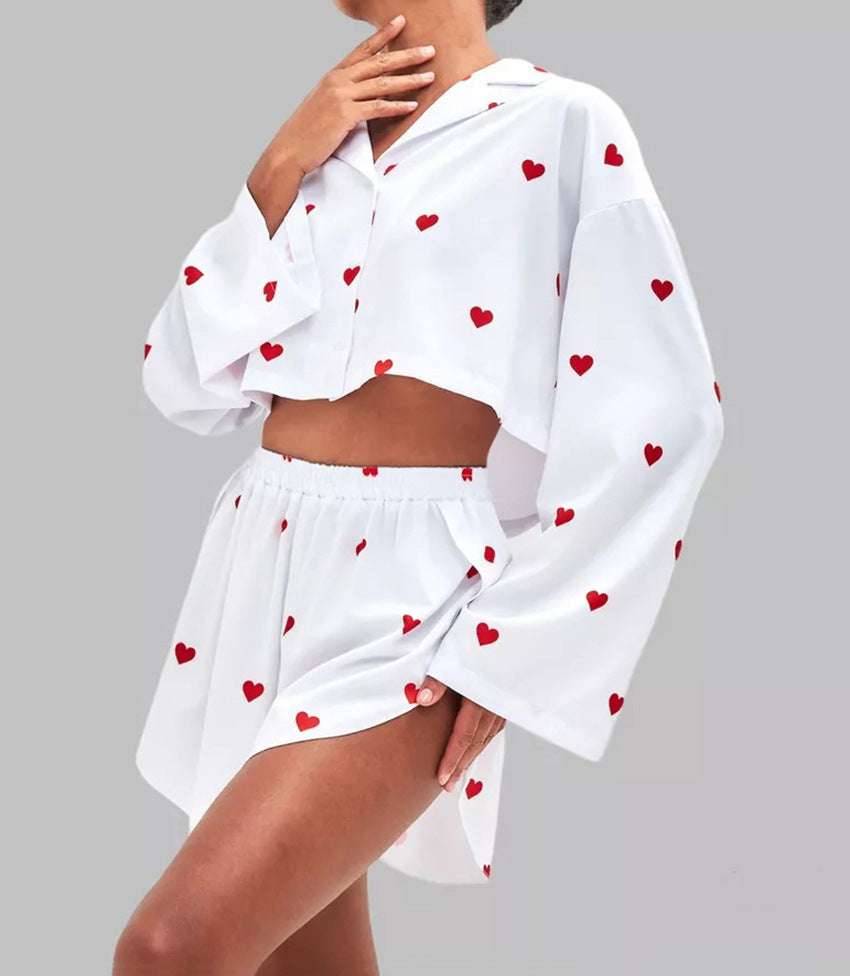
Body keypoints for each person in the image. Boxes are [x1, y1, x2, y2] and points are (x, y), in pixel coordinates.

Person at [115, 1, 724, 973]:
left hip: (416, 599)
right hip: (260, 567)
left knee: (171, 949)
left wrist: (518, 652)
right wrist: (278, 167)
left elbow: (665, 417)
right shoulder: (329, 135)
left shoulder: (563, 124)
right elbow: (182, 381)